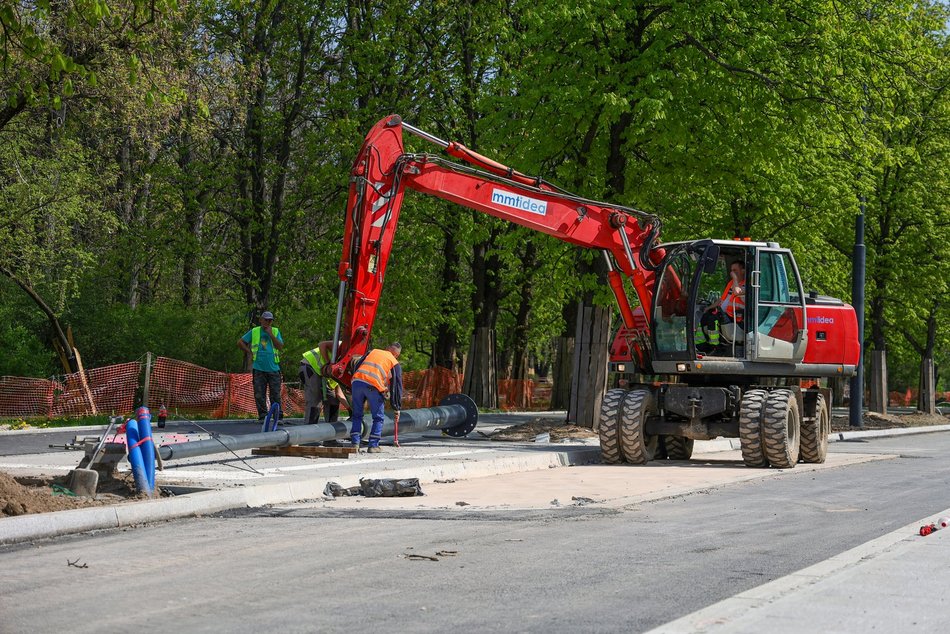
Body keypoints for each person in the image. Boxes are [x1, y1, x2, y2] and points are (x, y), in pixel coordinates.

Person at [349, 343, 403, 454]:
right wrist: (396, 406)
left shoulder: (373, 351)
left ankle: (355, 444)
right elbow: (396, 385)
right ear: (397, 355)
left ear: (386, 348)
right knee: (378, 417)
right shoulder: (394, 362)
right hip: (373, 386)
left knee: (357, 415)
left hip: (357, 382)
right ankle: (373, 445)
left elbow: (357, 364)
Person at [237, 311, 285, 422]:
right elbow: (240, 342)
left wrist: (271, 335)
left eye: (270, 320)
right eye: (265, 319)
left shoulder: (275, 331)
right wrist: (249, 352)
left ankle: (278, 416)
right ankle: (263, 416)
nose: (267, 322)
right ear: (261, 320)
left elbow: (280, 346)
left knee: (275, 394)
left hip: (273, 368)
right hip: (258, 368)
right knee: (259, 394)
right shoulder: (255, 331)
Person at [299, 340, 349, 425]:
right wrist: (328, 363)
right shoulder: (342, 345)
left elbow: (338, 393)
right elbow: (322, 344)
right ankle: (310, 429)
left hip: (325, 372)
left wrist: (350, 409)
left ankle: (332, 429)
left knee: (333, 398)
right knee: (315, 397)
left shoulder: (342, 369)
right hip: (310, 365)